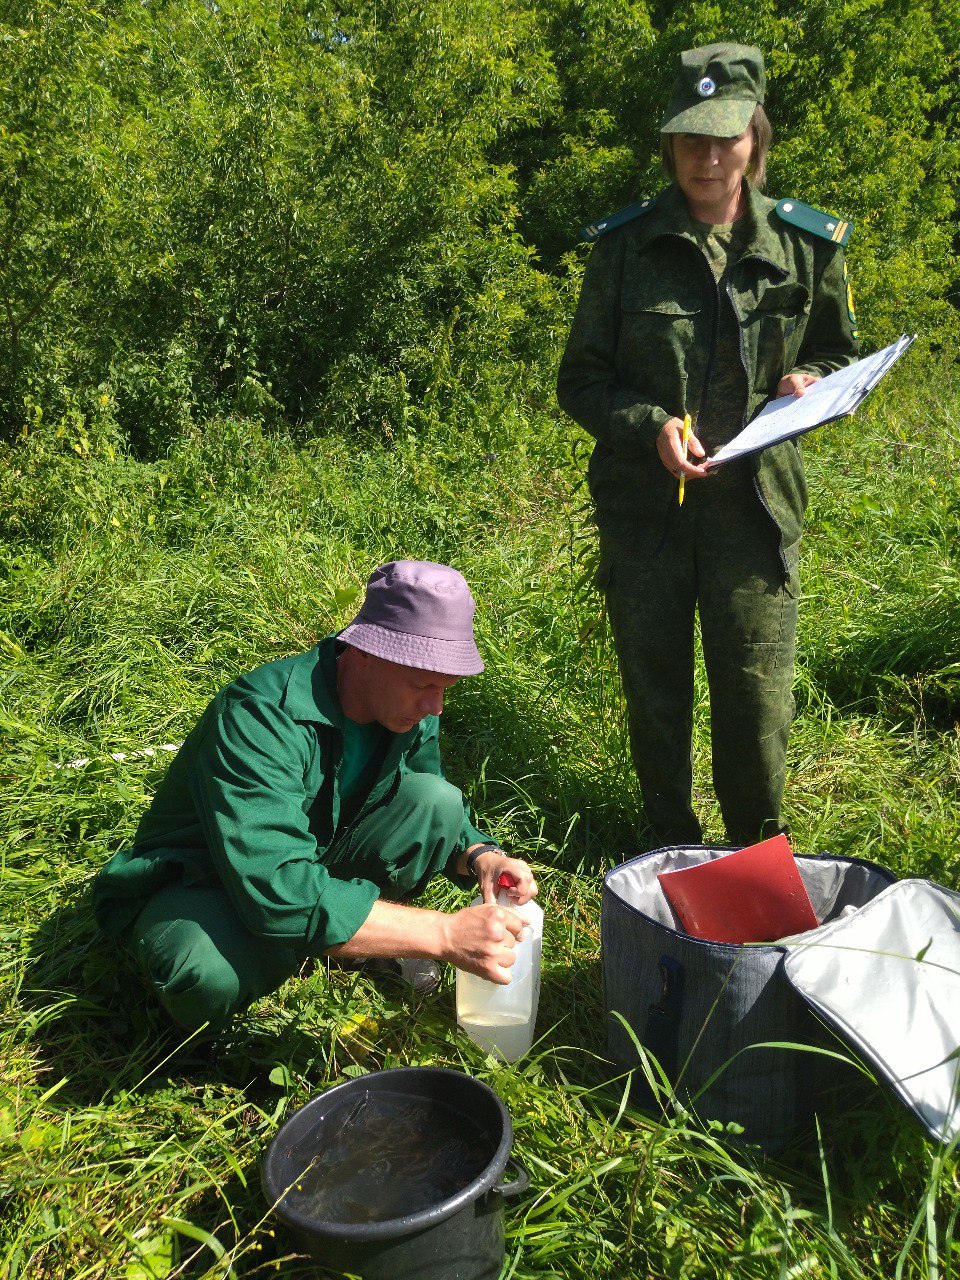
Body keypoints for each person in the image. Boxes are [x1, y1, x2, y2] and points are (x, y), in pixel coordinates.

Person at [557, 43, 859, 848]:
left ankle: (757, 853)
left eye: (726, 136)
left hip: (755, 516)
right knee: (655, 695)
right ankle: (668, 849)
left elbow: (837, 354)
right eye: (692, 137)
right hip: (646, 515)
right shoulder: (626, 246)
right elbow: (581, 381)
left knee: (756, 701)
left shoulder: (805, 246)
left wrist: (810, 381)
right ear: (670, 142)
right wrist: (649, 425)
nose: (708, 155)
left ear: (755, 139)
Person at [92, 560, 537, 1031]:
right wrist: (442, 934)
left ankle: (336, 934)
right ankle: (321, 937)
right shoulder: (261, 716)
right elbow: (274, 881)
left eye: (446, 687)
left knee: (437, 799)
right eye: (423, 684)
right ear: (365, 651)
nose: (435, 705)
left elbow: (427, 794)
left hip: (313, 855)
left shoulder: (407, 708)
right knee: (203, 975)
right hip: (206, 878)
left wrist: (481, 855)